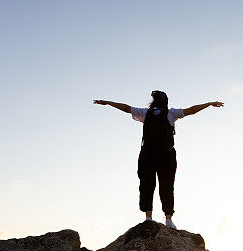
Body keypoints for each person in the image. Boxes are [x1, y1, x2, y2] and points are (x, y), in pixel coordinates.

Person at [93, 91, 224, 229]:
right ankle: (168, 219)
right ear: (165, 101)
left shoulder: (144, 113)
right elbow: (191, 110)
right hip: (166, 155)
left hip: (148, 154)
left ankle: (148, 218)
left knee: (146, 185)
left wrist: (108, 103)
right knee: (166, 186)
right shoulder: (171, 113)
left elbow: (126, 108)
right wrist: (208, 104)